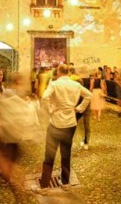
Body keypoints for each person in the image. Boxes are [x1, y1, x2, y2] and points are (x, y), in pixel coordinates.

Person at [33, 64, 92, 194]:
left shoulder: (54, 84)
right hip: (70, 123)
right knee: (66, 153)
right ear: (69, 72)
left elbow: (44, 97)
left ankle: (44, 186)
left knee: (49, 155)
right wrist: (80, 108)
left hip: (56, 122)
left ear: (59, 72)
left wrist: (50, 110)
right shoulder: (75, 85)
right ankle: (65, 183)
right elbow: (89, 95)